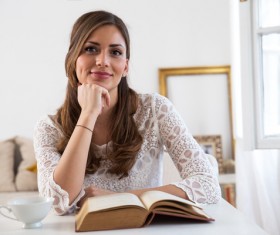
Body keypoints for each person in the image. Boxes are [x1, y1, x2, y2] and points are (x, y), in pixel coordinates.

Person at [33, 10, 221, 215]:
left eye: (115, 52)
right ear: (73, 60)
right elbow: (58, 202)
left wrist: (121, 198)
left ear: (125, 66)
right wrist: (88, 114)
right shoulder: (49, 127)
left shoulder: (155, 109)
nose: (103, 61)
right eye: (90, 49)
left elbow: (208, 185)